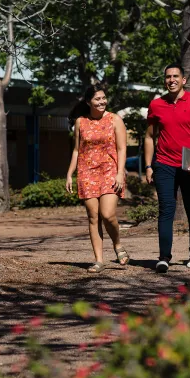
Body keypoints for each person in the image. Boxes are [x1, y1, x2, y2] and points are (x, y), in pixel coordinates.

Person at [144, 64, 190, 273]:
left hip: (189, 163)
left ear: (183, 80)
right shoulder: (156, 105)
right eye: (167, 77)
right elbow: (149, 137)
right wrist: (148, 165)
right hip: (163, 164)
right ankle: (164, 257)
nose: (171, 80)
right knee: (166, 210)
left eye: (175, 76)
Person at [66, 83, 130, 273]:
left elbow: (122, 148)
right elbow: (77, 150)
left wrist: (120, 172)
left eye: (103, 98)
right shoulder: (80, 122)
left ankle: (117, 244)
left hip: (110, 170)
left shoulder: (114, 119)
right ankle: (99, 260)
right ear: (88, 102)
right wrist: (70, 174)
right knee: (93, 217)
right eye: (97, 99)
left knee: (107, 214)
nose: (102, 102)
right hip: (87, 172)